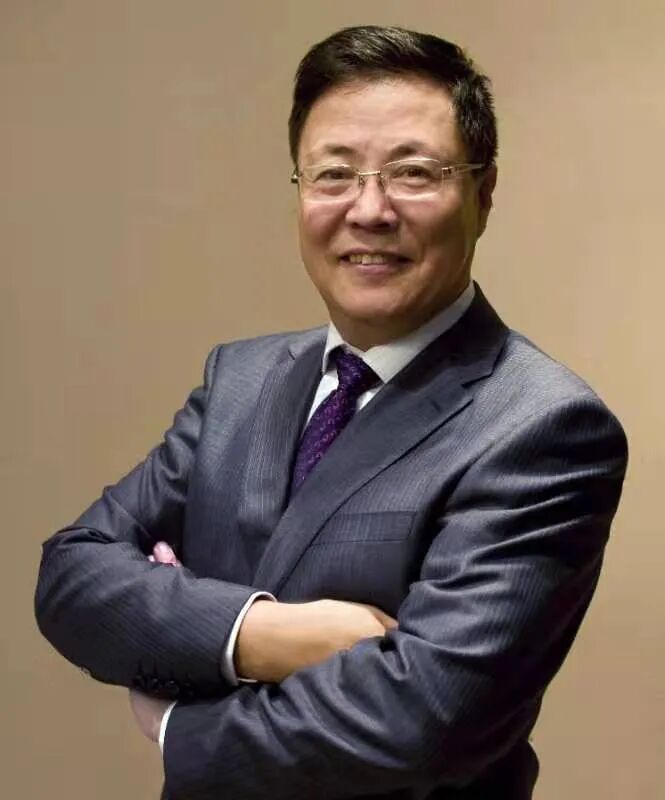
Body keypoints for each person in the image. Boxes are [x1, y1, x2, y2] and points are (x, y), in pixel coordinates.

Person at [35, 25, 628, 800]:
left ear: (483, 194)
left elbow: (423, 717)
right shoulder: (241, 379)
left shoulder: (543, 426)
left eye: (413, 173)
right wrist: (259, 634)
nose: (368, 209)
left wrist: (181, 728)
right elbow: (73, 574)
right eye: (334, 174)